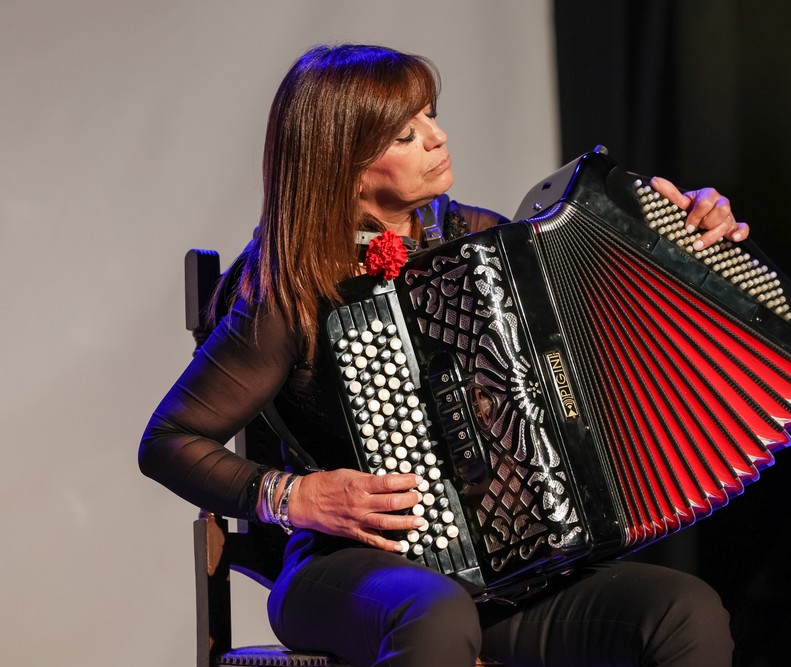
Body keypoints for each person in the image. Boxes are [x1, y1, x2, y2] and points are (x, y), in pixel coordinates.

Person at [139, 43, 748, 667]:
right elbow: (169, 440)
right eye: (406, 133)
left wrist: (677, 238)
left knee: (684, 611)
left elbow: (604, 325)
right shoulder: (289, 288)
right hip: (351, 575)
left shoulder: (482, 241)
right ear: (341, 162)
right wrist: (294, 496)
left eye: (430, 115)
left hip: (511, 580)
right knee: (434, 613)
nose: (437, 137)